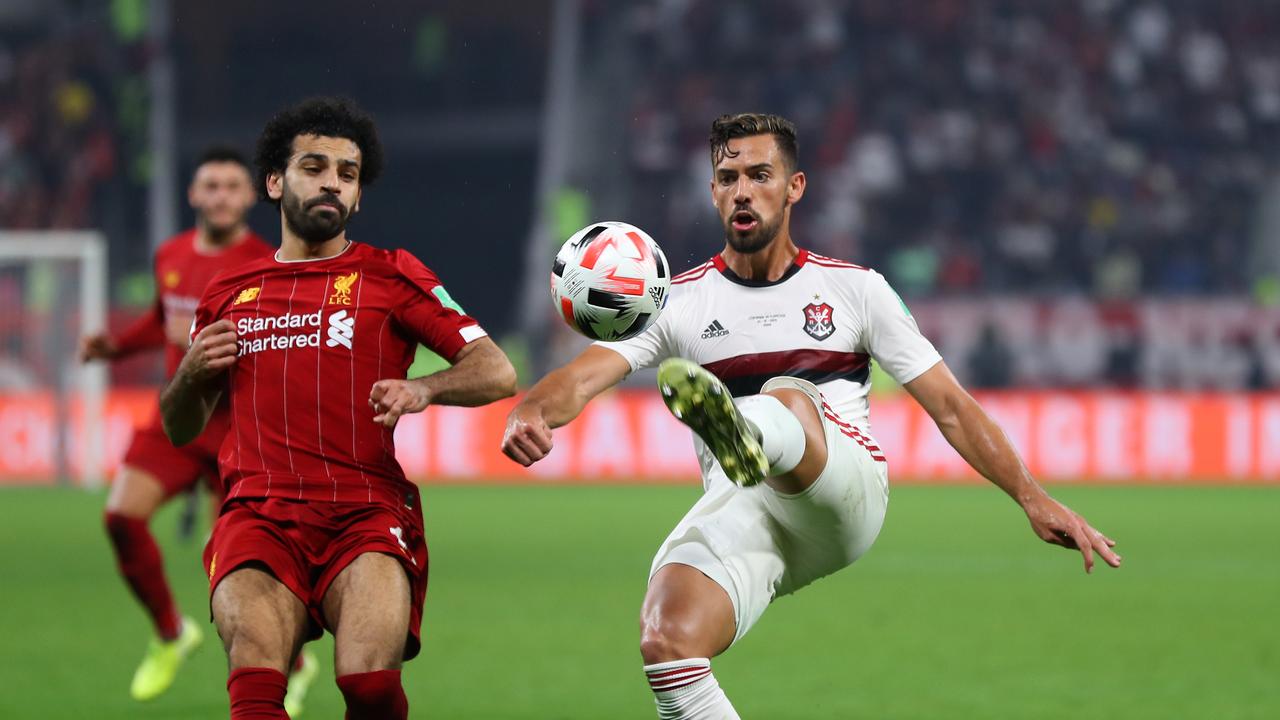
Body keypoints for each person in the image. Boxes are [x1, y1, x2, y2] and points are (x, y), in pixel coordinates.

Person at [502, 113, 1122, 719]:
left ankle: (748, 430)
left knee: (787, 396)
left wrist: (1031, 495)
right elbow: (579, 379)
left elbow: (953, 408)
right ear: (713, 190)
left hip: (843, 493)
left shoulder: (856, 290)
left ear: (794, 187)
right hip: (750, 506)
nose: (742, 190)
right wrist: (532, 411)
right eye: (727, 177)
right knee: (667, 645)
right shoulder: (678, 301)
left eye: (760, 175)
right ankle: (744, 439)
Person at [160, 96, 516, 720]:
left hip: (364, 512)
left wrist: (426, 389)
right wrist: (189, 375)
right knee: (255, 685)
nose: (332, 182)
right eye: (314, 167)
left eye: (347, 174)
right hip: (258, 513)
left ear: (357, 196)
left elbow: (496, 369)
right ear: (275, 182)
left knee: (371, 689)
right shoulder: (227, 294)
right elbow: (179, 425)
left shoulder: (391, 275)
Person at [78, 146, 325, 706]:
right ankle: (171, 633)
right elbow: (162, 321)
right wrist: (114, 346)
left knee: (230, 558)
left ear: (253, 195)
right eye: (209, 186)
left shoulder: (267, 263)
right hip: (177, 415)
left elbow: (285, 350)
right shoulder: (170, 254)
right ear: (194, 194)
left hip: (237, 429)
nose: (219, 196)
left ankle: (296, 662)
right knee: (120, 517)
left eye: (230, 187)